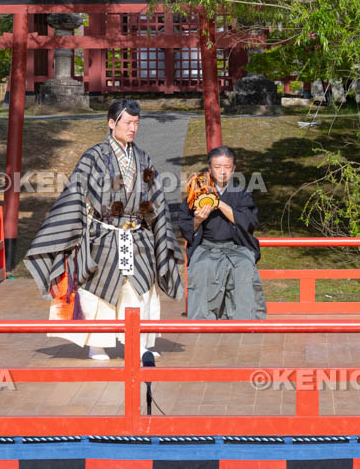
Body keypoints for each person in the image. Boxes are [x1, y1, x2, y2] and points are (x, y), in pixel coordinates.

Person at [24, 99, 184, 360]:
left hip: (137, 236)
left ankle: (139, 344)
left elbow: (156, 199)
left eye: (136, 123)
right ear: (112, 123)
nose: (132, 128)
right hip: (103, 235)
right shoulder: (94, 157)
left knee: (141, 289)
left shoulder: (143, 158)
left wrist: (158, 232)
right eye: (127, 122)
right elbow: (75, 195)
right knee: (97, 290)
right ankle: (97, 344)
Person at [177, 146, 266, 320]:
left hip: (236, 247)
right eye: (217, 167)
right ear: (209, 169)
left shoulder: (242, 193)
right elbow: (185, 226)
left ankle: (243, 319)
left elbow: (249, 222)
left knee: (244, 266)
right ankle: (204, 320)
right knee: (202, 267)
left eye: (227, 167)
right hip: (206, 247)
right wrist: (198, 220)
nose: (223, 171)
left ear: (233, 169)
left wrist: (219, 204)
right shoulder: (197, 193)